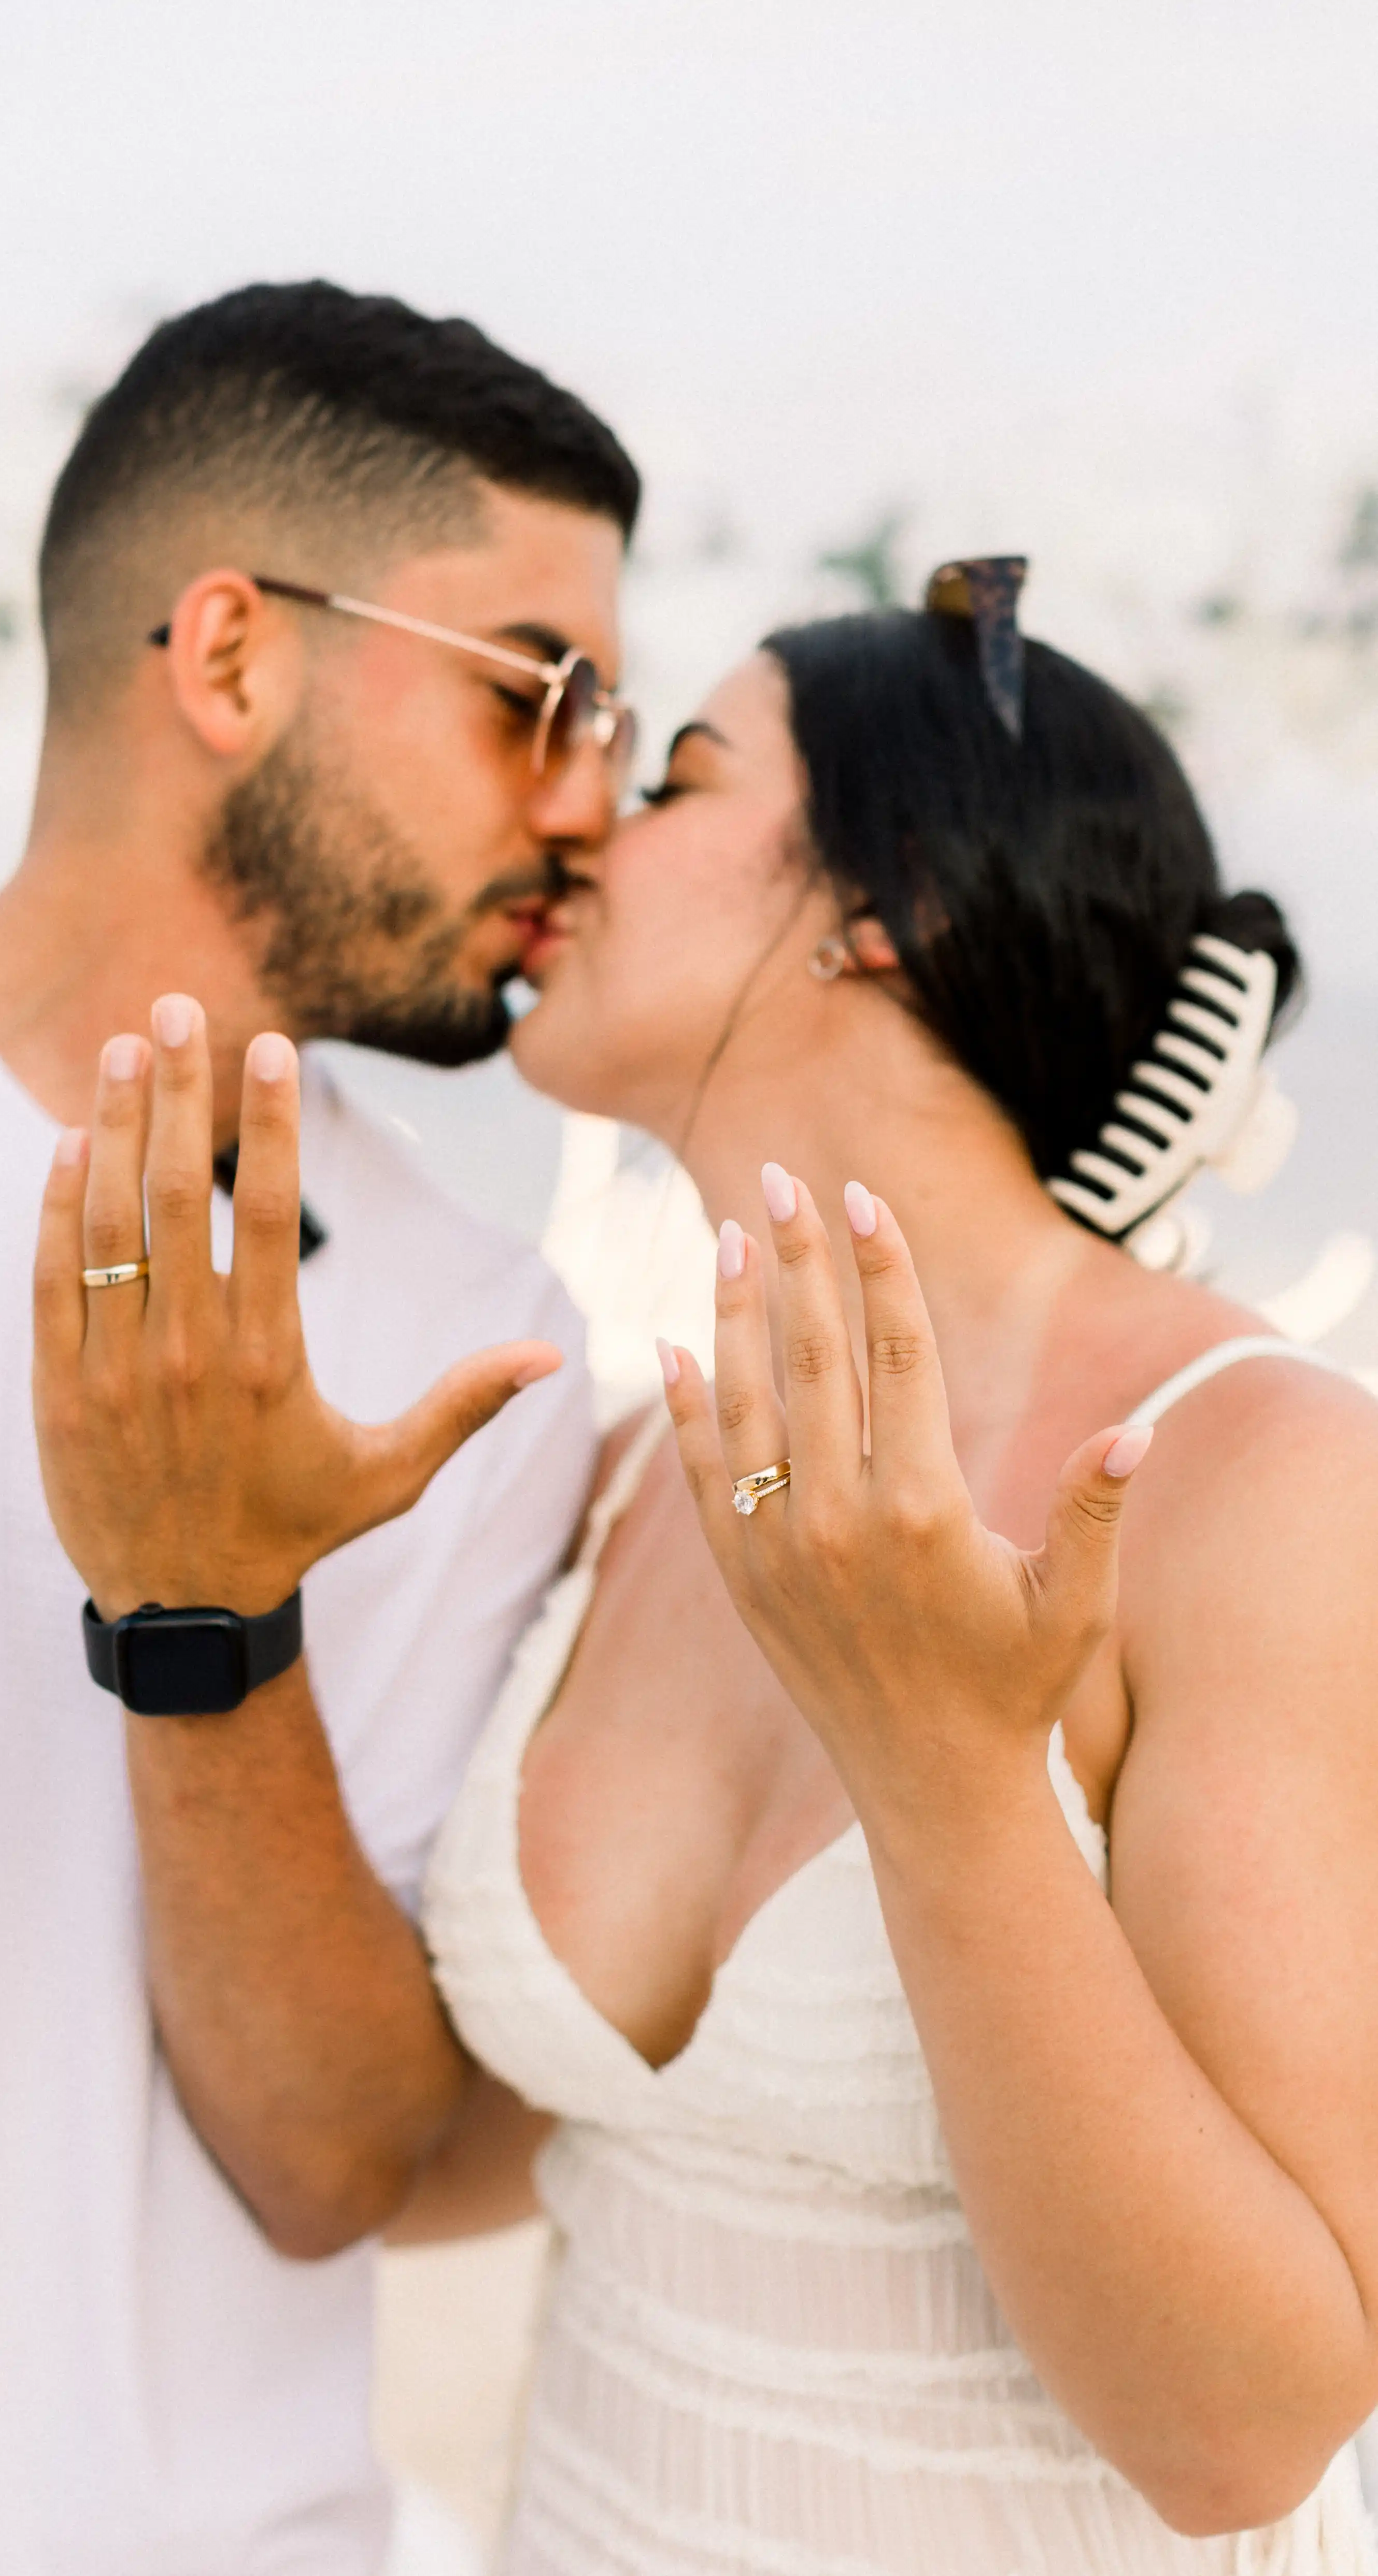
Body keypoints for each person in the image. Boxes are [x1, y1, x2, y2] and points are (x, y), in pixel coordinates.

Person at [0, 280, 642, 2572]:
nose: (588, 799)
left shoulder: (483, 1339)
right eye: (541, 692)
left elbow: (332, 2167)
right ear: (227, 658)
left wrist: (211, 1614)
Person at [408, 574, 1378, 2567]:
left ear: (892, 903)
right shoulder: (634, 1470)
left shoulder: (1258, 1483)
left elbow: (1242, 2433)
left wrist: (946, 1781)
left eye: (680, 779)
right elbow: (438, 2167)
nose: (578, 822)